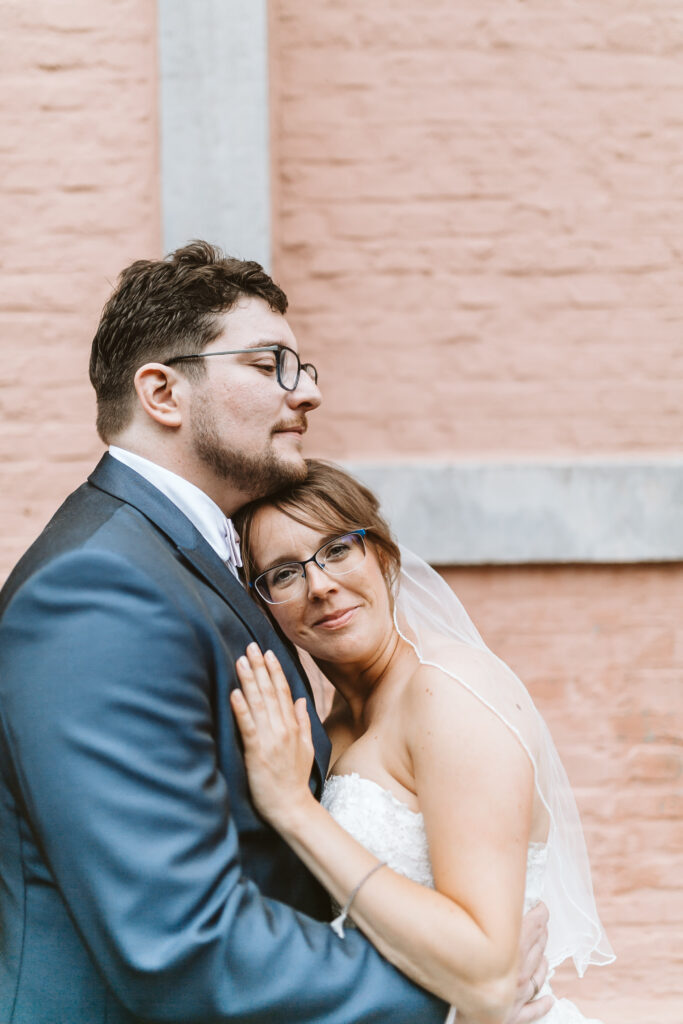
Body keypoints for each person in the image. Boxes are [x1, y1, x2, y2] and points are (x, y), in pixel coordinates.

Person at [0, 241, 550, 1024]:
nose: (306, 395)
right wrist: (453, 997)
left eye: (304, 369)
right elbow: (177, 941)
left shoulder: (188, 558)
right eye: (269, 366)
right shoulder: (98, 589)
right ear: (162, 392)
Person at [231, 460, 615, 1023]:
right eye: (285, 573)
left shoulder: (447, 693)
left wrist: (292, 808)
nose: (321, 585)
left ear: (383, 555)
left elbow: (486, 969)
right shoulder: (326, 723)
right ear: (263, 604)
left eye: (337, 549)